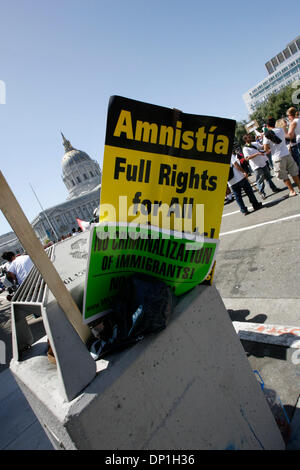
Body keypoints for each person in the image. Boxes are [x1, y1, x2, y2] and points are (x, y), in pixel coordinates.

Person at [263, 117, 300, 197]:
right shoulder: (280, 130)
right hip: (286, 153)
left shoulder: (266, 135)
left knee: (283, 175)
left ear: (267, 125)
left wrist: (269, 147)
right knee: (294, 173)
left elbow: (266, 149)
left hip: (277, 157)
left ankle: (292, 191)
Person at [243, 134, 280, 200]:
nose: (251, 137)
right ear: (245, 139)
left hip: (263, 163)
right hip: (256, 166)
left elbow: (262, 147)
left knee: (268, 177)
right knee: (260, 180)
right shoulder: (245, 148)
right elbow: (247, 158)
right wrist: (257, 154)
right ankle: (262, 193)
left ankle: (274, 188)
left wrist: (267, 142)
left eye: (250, 136)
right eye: (249, 137)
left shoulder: (255, 143)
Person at [282, 107, 300, 175]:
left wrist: (283, 135)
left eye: (288, 116)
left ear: (290, 115)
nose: (288, 118)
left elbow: (290, 136)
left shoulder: (293, 122)